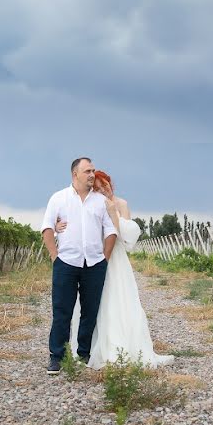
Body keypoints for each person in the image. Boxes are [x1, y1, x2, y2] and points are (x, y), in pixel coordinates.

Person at [59, 170, 174, 369]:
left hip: (117, 261)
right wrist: (58, 225)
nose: (104, 189)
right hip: (95, 258)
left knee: (119, 300)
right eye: (99, 187)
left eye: (106, 185)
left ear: (111, 184)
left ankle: (121, 349)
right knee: (94, 303)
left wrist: (113, 213)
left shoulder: (121, 204)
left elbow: (128, 239)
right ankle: (89, 349)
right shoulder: (91, 204)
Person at [40, 157, 117, 375]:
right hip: (66, 263)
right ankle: (57, 357)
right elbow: (46, 227)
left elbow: (110, 230)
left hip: (94, 264)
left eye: (93, 171)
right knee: (62, 311)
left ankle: (83, 354)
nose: (92, 175)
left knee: (89, 311)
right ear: (75, 174)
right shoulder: (59, 198)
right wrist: (55, 256)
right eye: (88, 171)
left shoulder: (100, 202)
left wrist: (105, 258)